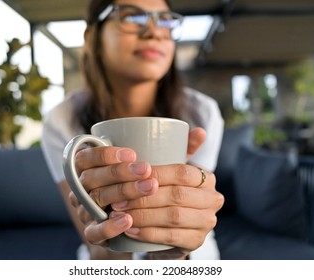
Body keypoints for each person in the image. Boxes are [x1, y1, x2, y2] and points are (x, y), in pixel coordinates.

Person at [41, 0, 224, 260]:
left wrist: (172, 253)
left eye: (165, 20)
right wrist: (114, 244)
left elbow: (190, 216)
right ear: (92, 35)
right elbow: (94, 239)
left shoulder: (201, 114)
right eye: (132, 17)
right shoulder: (61, 122)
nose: (155, 32)